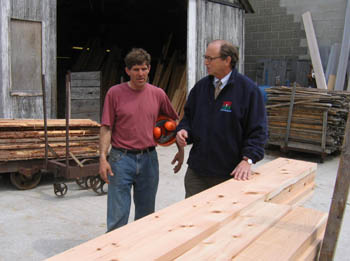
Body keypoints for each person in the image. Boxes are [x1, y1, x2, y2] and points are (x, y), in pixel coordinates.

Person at [99, 48, 184, 232]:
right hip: (121, 159)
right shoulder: (115, 93)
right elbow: (106, 126)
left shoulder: (158, 94)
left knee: (146, 216)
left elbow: (174, 122)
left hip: (149, 160)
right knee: (117, 216)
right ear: (127, 70)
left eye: (144, 69)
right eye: (136, 69)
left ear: (149, 69)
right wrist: (103, 158)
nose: (141, 73)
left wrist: (180, 149)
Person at [176, 40, 267, 198]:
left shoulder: (248, 91)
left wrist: (248, 160)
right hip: (197, 172)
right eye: (205, 57)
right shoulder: (201, 88)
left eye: (210, 59)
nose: (206, 62)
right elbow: (188, 118)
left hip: (230, 174)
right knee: (192, 219)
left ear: (227, 60)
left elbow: (258, 131)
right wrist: (183, 131)